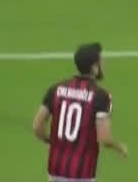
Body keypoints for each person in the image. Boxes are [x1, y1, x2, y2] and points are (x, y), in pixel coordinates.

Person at [33, 42, 128, 181]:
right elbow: (105, 139)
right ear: (94, 68)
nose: (104, 65)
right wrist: (119, 147)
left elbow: (37, 127)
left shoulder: (55, 89)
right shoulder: (100, 96)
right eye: (101, 62)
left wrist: (49, 141)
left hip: (55, 169)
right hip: (82, 173)